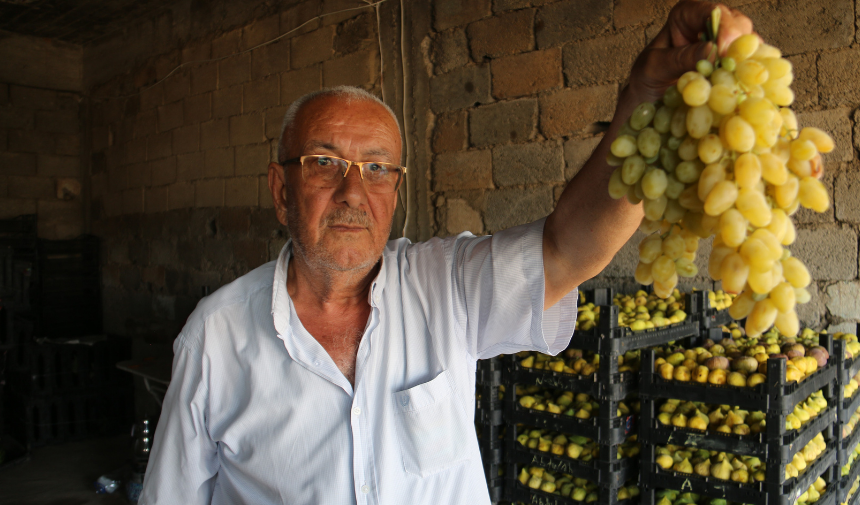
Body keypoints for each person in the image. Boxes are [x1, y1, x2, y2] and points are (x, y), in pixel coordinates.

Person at [139, 2, 754, 503]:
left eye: (377, 168)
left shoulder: (444, 285)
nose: (354, 191)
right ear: (281, 190)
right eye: (325, 163)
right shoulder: (215, 338)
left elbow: (570, 248)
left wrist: (642, 101)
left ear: (397, 192)